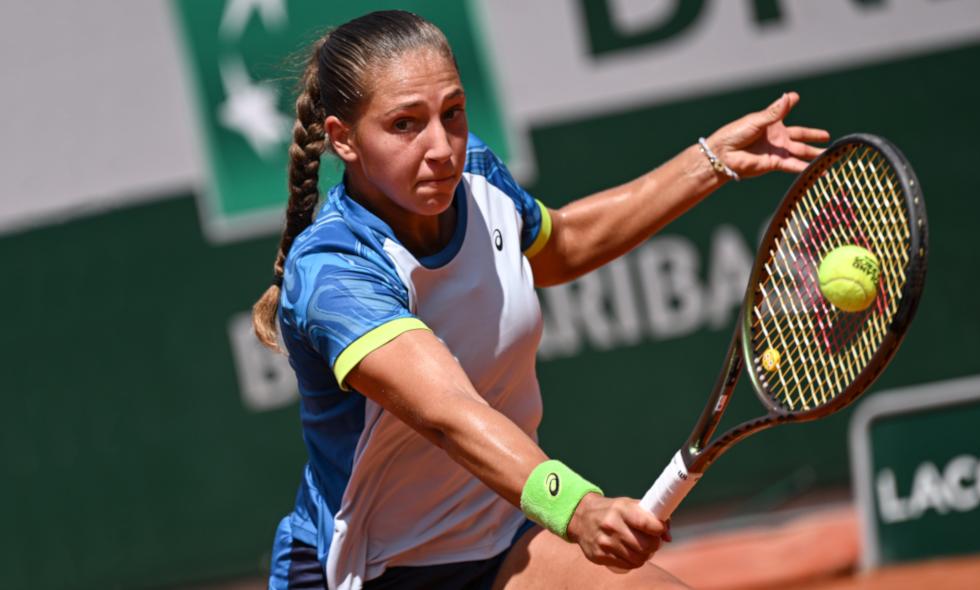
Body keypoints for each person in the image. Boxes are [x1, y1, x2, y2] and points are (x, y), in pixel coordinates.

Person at [252, 10, 829, 590]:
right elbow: (451, 412)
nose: (441, 148)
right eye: (405, 125)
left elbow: (566, 244)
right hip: (371, 576)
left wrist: (710, 161)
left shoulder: (474, 172)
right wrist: (578, 510)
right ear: (343, 139)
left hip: (502, 543)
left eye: (452, 113)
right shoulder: (333, 268)